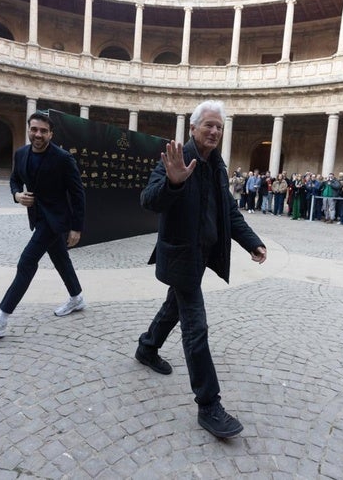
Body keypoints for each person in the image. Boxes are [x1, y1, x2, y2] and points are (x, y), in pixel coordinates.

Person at [134, 100, 267, 438]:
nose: (214, 131)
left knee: (173, 306)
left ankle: (147, 347)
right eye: (208, 124)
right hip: (181, 257)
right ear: (192, 128)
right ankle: (209, 405)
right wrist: (174, 183)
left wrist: (252, 241)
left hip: (203, 255)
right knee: (196, 327)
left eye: (219, 126)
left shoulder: (218, 166)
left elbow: (229, 212)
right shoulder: (174, 158)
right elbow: (149, 200)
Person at [0, 112, 87, 337]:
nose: (38, 134)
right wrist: (16, 196)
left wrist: (76, 227)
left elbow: (77, 193)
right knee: (61, 259)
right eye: (34, 129)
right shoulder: (21, 154)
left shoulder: (63, 158)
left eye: (43, 130)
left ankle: (0, 319)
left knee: (27, 262)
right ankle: (77, 297)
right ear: (28, 130)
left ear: (51, 133)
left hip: (56, 220)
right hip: (37, 217)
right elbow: (15, 179)